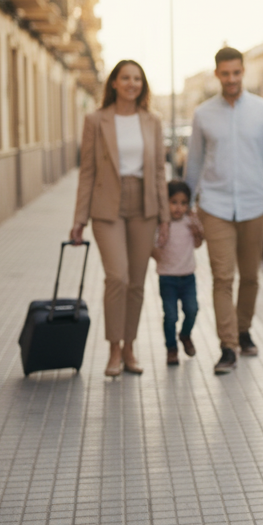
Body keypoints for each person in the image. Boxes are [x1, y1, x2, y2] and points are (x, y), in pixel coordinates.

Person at [184, 47, 263, 375]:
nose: (231, 79)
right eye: (225, 74)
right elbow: (194, 162)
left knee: (251, 276)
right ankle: (228, 346)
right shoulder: (203, 114)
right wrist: (186, 206)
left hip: (255, 205)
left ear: (243, 72)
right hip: (214, 206)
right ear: (217, 74)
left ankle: (243, 330)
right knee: (222, 278)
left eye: (236, 73)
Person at [71, 60, 170, 378]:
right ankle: (113, 348)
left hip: (144, 204)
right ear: (113, 82)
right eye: (125, 78)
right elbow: (87, 171)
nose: (131, 83)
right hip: (107, 206)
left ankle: (129, 347)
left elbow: (159, 171)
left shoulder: (152, 121)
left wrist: (165, 217)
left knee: (137, 282)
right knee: (118, 277)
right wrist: (79, 218)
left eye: (137, 78)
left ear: (143, 84)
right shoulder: (96, 120)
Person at [153, 180, 202, 366]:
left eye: (183, 203)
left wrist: (197, 231)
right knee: (171, 315)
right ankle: (171, 348)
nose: (178, 208)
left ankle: (185, 334)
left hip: (188, 277)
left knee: (192, 309)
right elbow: (154, 249)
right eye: (173, 202)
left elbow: (198, 244)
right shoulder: (161, 225)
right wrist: (159, 243)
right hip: (167, 278)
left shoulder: (190, 222)